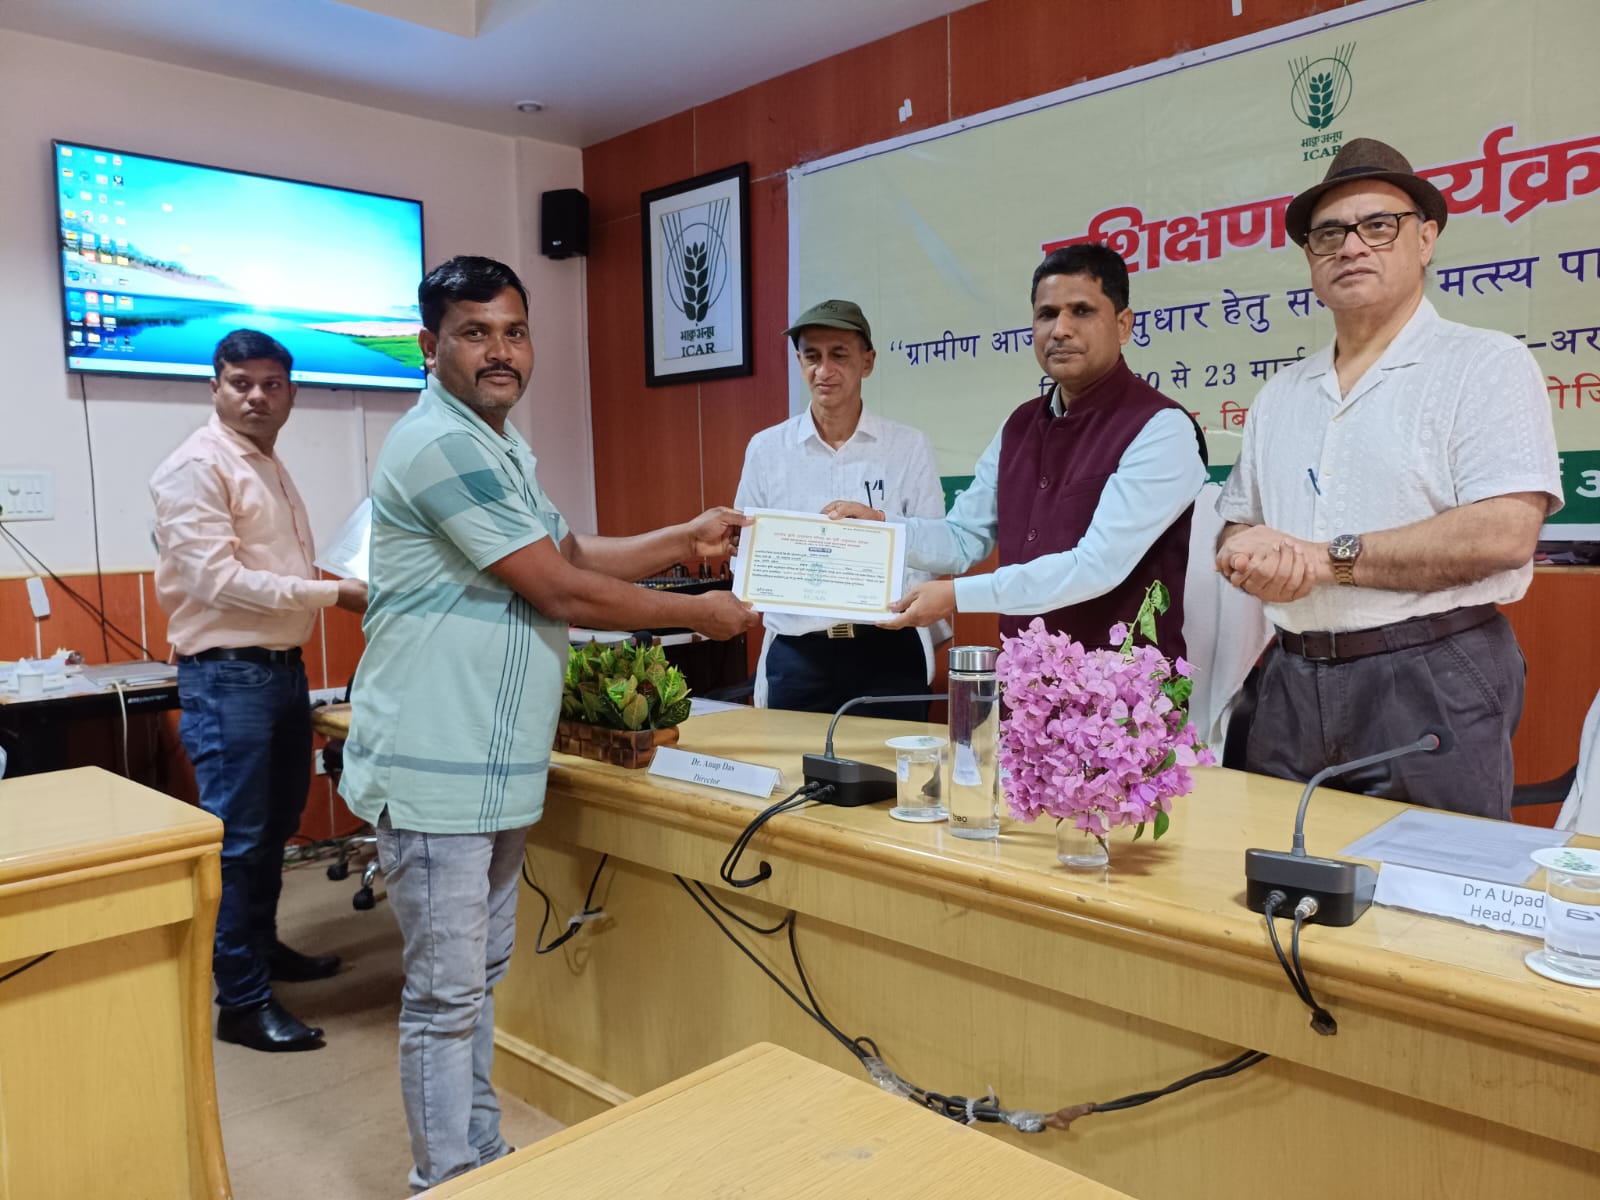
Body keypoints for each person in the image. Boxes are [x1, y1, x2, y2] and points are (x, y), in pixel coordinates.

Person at [339, 255, 756, 1193]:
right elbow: (560, 590)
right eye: (474, 333)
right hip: (438, 763)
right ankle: (445, 1179)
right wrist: (699, 612)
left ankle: (481, 1158)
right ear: (430, 346)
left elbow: (570, 552)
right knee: (445, 998)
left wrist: (682, 540)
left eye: (514, 332)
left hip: (490, 768)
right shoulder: (436, 444)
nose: (501, 351)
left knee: (477, 979)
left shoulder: (498, 445)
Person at [1215, 137, 1563, 819]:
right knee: (1280, 874)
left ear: (1425, 239)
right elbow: (1237, 522)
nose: (1351, 247)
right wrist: (1244, 555)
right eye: (1329, 234)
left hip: (1431, 671)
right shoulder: (1279, 396)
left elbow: (1504, 534)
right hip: (1291, 677)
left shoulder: (1484, 364)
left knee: (1428, 878)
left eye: (1378, 226)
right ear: (1310, 257)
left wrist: (1325, 559)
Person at [150, 329, 367, 1053]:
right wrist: (333, 594)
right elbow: (217, 581)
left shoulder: (265, 463)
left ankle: (263, 951)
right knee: (239, 841)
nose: (257, 397)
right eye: (241, 382)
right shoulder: (197, 466)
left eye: (272, 384)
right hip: (226, 675)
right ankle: (240, 1002)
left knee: (274, 827)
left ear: (291, 394)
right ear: (214, 387)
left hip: (278, 671)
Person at [825, 244, 1207, 654]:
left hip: (1124, 684)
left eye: (1081, 311)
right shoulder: (1020, 426)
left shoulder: (1161, 428)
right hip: (1025, 680)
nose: (1060, 329)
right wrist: (881, 528)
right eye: (1047, 314)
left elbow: (1097, 566)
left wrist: (957, 596)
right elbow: (962, 537)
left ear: (1123, 325)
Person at [734, 299, 947, 721]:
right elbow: (744, 552)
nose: (824, 370)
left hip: (888, 649)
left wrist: (883, 596)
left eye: (839, 355)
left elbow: (935, 548)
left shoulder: (907, 447)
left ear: (867, 362)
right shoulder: (766, 449)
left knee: (892, 764)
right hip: (797, 653)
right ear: (799, 362)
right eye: (812, 356)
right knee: (793, 762)